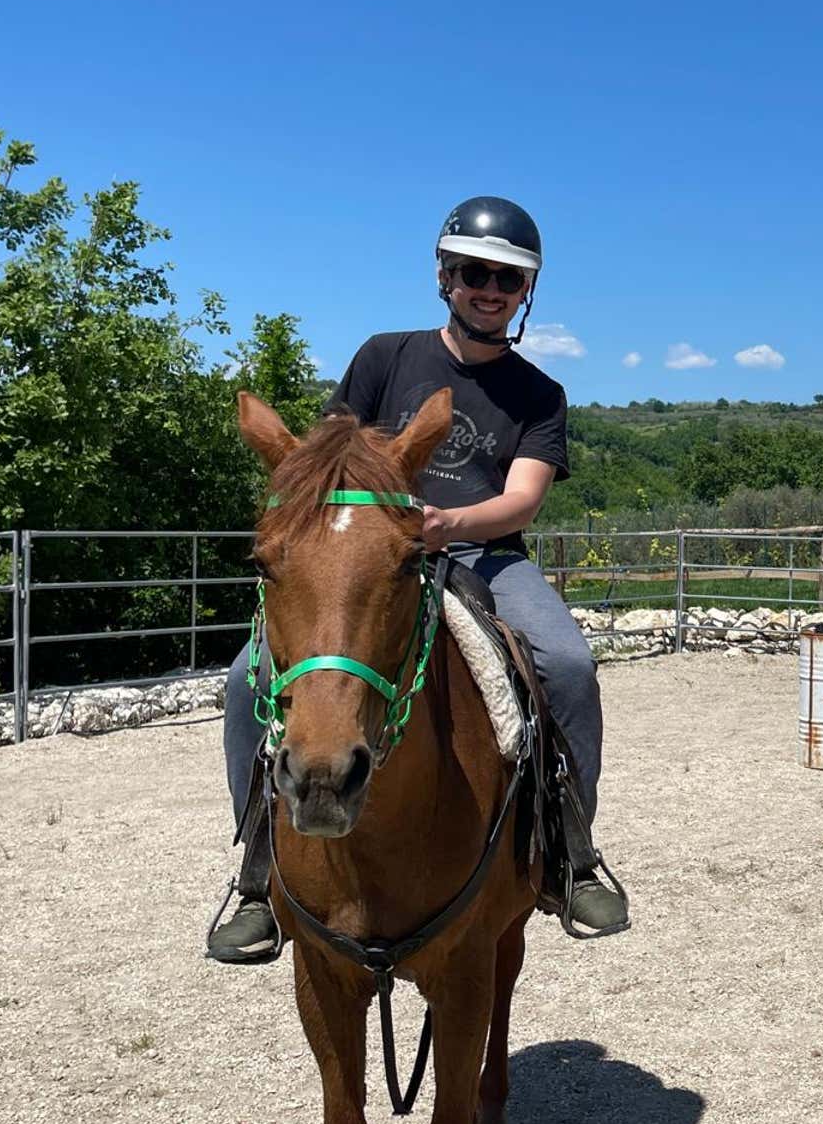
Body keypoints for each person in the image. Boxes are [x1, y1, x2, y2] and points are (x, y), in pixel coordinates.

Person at [206, 195, 627, 962]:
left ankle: (572, 855)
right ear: (445, 276)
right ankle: (257, 877)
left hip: (487, 555)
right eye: (474, 272)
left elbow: (523, 499)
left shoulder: (539, 395)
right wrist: (377, 532)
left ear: (526, 291)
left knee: (568, 664)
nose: (489, 289)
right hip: (370, 558)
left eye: (507, 278)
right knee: (245, 681)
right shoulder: (384, 358)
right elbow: (328, 461)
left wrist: (446, 523)